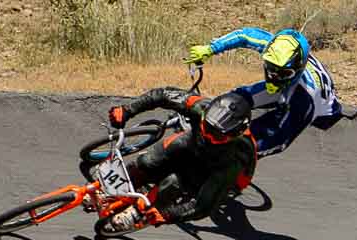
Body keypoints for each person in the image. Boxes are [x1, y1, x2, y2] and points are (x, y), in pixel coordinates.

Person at [102, 88, 259, 231]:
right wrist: (128, 110)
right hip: (190, 144)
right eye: (207, 127)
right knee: (146, 162)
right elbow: (162, 95)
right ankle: (109, 189)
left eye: (216, 135)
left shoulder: (236, 159)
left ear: (235, 135)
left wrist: (168, 215)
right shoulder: (201, 107)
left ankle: (136, 213)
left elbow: (202, 206)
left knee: (172, 183)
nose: (208, 136)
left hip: (211, 170)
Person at [184, 27, 342, 158]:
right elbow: (243, 36)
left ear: (297, 70)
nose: (273, 76)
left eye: (282, 73)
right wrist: (210, 49)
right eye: (271, 68)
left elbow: (279, 141)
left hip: (322, 110)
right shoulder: (273, 47)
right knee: (236, 98)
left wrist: (236, 153)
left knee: (261, 134)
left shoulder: (305, 99)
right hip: (293, 83)